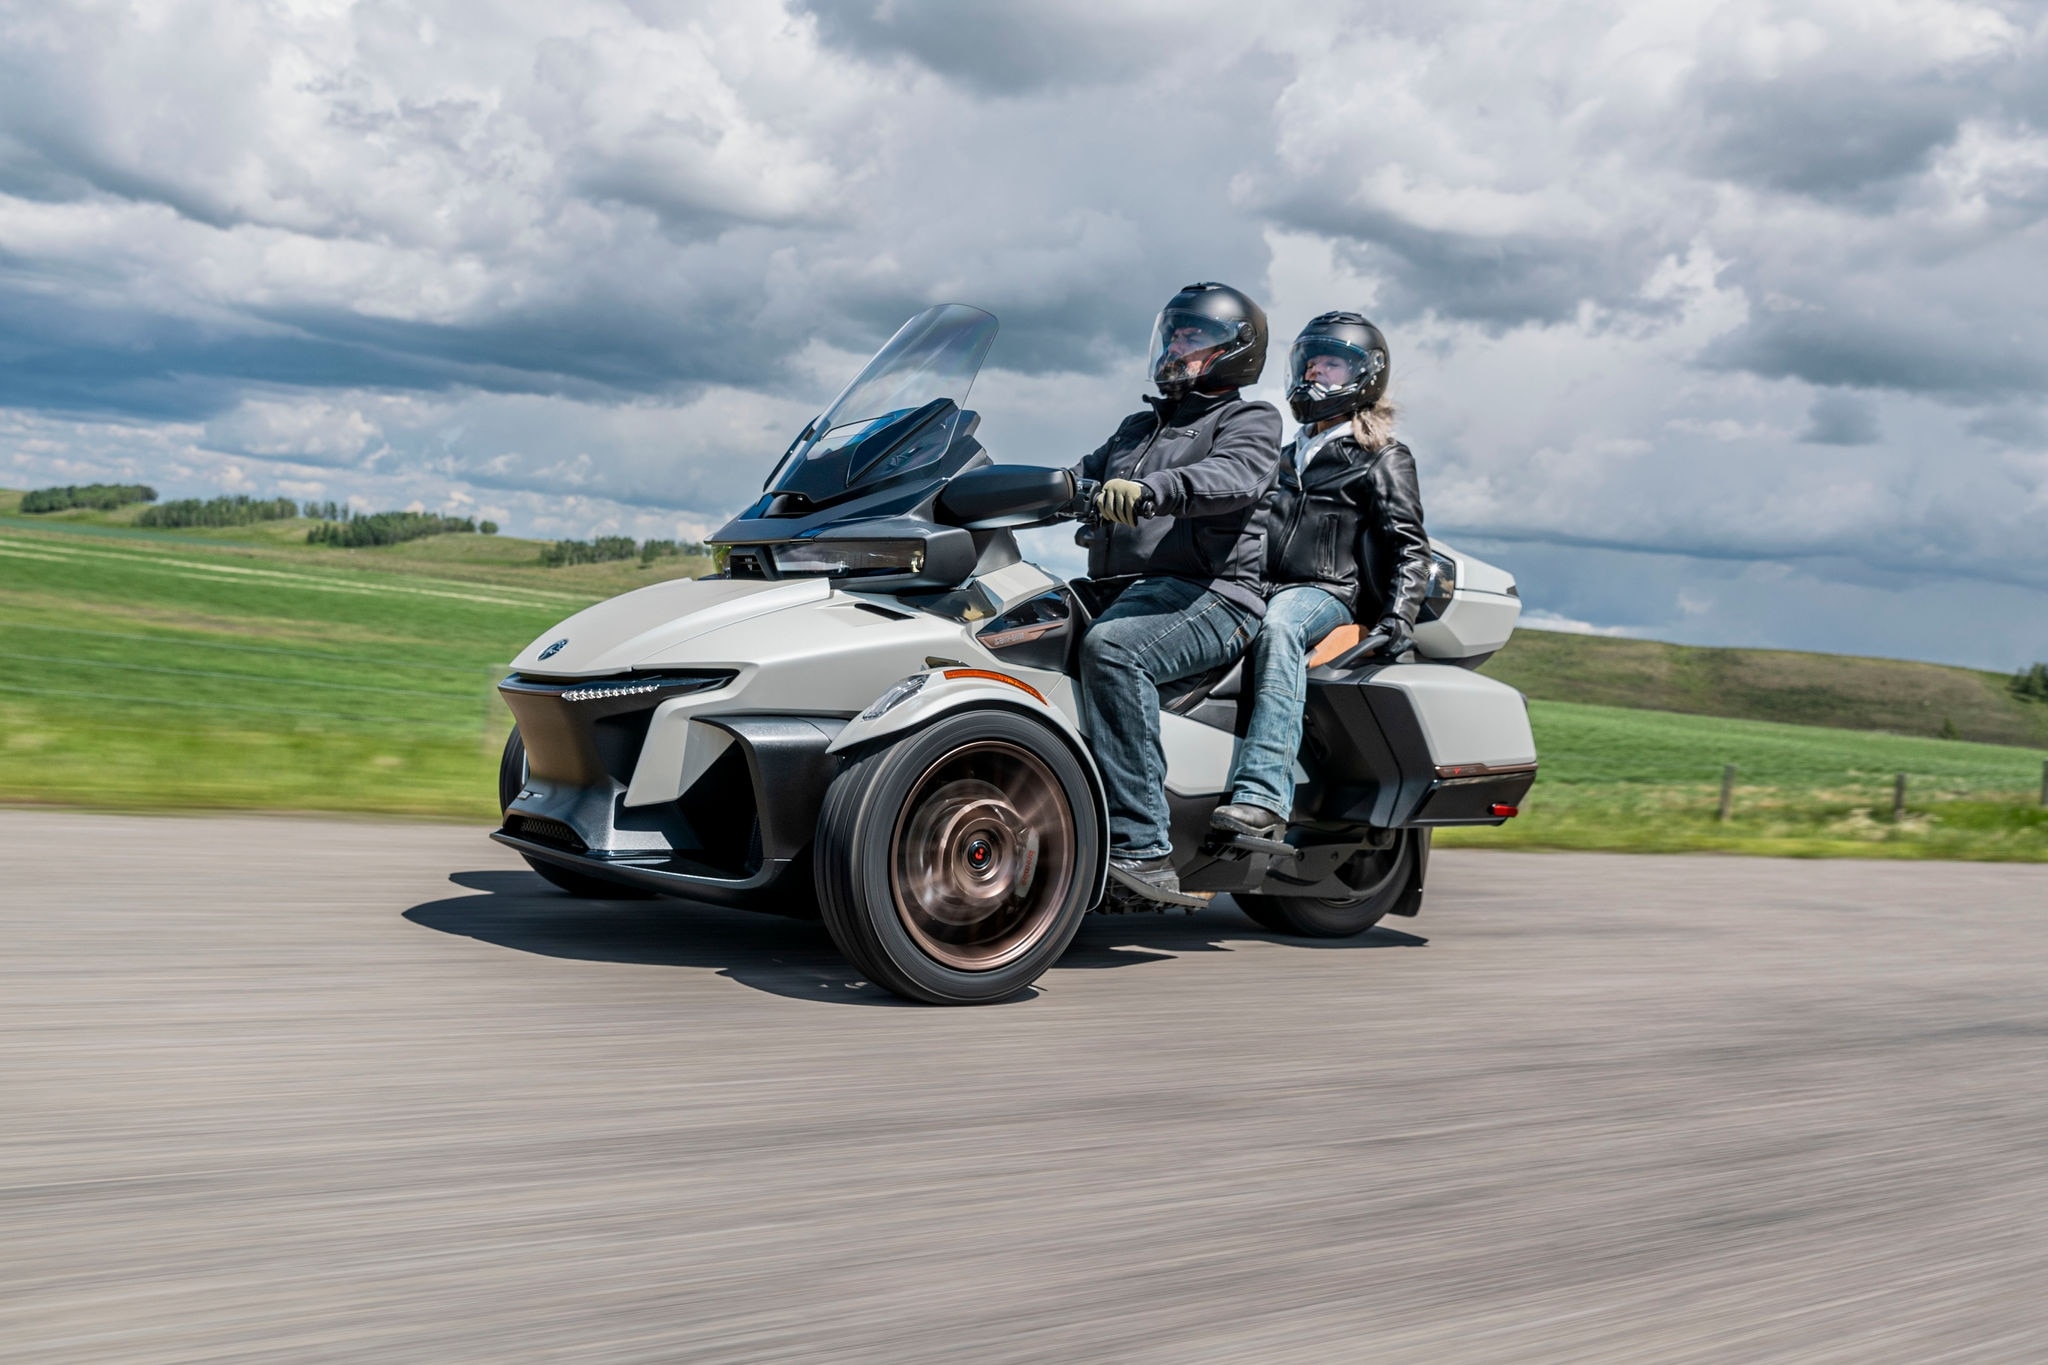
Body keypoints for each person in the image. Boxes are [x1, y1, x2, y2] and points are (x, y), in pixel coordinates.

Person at [1071, 282, 1284, 900]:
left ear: (1235, 350)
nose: (1175, 347)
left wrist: (1153, 490)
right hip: (1123, 588)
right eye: (1173, 334)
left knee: (1115, 651)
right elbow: (1077, 478)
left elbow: (1234, 476)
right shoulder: (1137, 427)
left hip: (1213, 595)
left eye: (1193, 337)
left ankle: (1143, 849)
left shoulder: (1249, 419)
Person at [1210, 311, 1432, 843]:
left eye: (1330, 365)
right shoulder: (1283, 456)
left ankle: (1264, 797)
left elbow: (1409, 546)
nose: (1315, 374)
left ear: (1364, 375)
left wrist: (1398, 619)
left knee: (1279, 626)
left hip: (1326, 592)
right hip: (1259, 584)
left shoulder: (1382, 457)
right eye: (1309, 363)